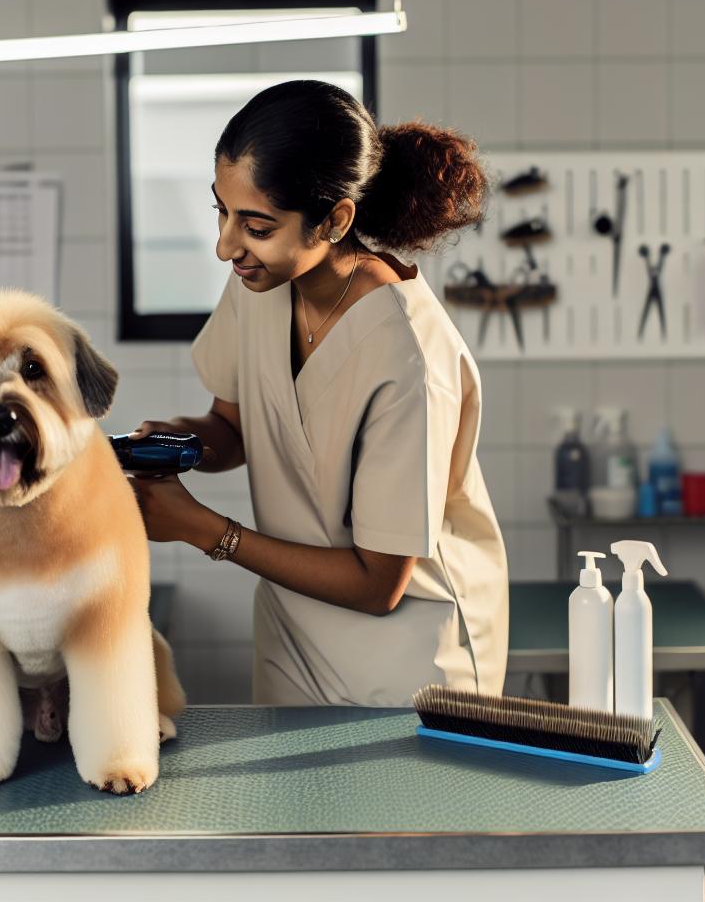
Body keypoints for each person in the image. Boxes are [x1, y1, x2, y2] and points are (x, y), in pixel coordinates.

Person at [129, 80, 509, 707]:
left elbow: (378, 583)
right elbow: (236, 426)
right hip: (292, 631)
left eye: (255, 224)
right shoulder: (261, 283)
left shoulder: (408, 359)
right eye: (221, 212)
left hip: (408, 662)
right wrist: (178, 444)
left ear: (335, 220)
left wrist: (203, 530)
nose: (227, 246)